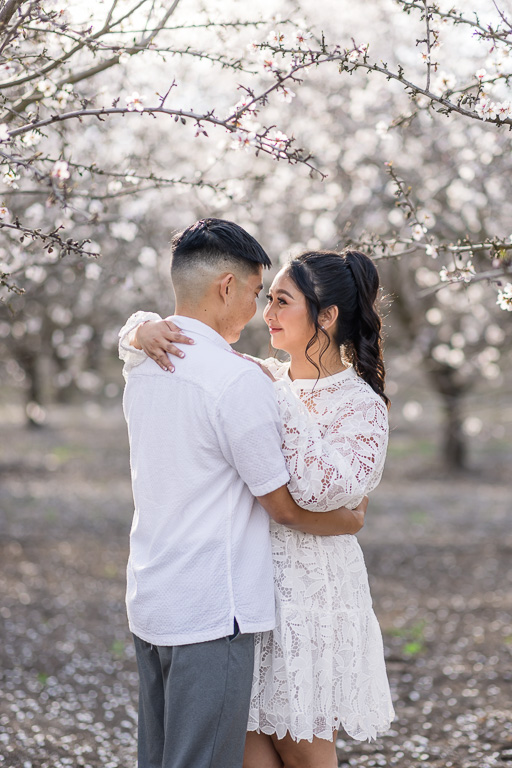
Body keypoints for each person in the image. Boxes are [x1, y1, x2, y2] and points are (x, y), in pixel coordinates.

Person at [121, 245, 395, 768]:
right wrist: (139, 329)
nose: (266, 313)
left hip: (309, 600)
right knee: (247, 753)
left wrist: (279, 397)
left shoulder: (360, 404)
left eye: (282, 301)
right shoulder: (259, 377)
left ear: (328, 316)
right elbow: (170, 349)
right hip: (243, 594)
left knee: (306, 754)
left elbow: (323, 489)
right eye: (266, 298)